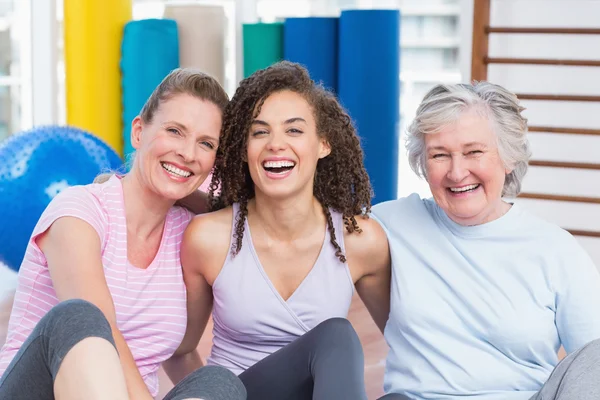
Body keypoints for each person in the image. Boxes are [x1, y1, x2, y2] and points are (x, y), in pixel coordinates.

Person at [0, 68, 246, 400]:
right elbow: (105, 329)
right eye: (174, 131)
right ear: (139, 132)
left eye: (205, 143)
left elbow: (182, 352)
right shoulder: (78, 212)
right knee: (80, 316)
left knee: (220, 384)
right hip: (36, 391)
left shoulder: (189, 233)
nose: (188, 153)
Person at [169, 61, 391, 400]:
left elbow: (407, 339)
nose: (275, 144)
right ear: (244, 150)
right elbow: (182, 351)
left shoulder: (361, 241)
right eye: (260, 132)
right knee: (336, 335)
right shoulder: (208, 238)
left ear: (323, 144)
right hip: (235, 393)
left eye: (294, 130)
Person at [373, 82, 600, 400]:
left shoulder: (556, 249)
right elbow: (312, 229)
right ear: (423, 164)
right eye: (439, 155)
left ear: (508, 158)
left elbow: (592, 366)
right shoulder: (387, 225)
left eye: (473, 152)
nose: (456, 172)